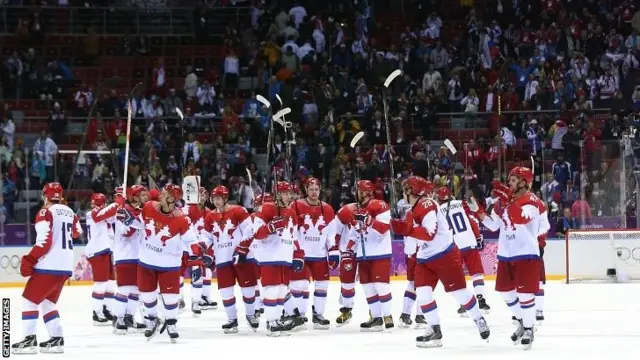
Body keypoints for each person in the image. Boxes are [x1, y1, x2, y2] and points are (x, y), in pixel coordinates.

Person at [391, 176, 490, 348]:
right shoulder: (411, 211)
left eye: (406, 189)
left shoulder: (428, 205)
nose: (403, 192)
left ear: (412, 190)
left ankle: (478, 319)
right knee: (423, 293)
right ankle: (434, 330)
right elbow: (413, 235)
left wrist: (405, 229)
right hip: (424, 258)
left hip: (444, 255)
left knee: (459, 293)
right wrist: (396, 226)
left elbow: (429, 233)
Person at [468, 167, 549, 350]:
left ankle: (529, 328)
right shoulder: (500, 202)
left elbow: (520, 218)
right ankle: (522, 321)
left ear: (523, 182)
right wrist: (478, 211)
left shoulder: (532, 201)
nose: (509, 183)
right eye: (509, 180)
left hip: (526, 252)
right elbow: (493, 225)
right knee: (506, 292)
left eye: (513, 180)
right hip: (505, 253)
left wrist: (508, 201)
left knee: (524, 293)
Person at [119, 184, 200, 342]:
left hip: (169, 264)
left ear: (171, 198)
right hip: (146, 261)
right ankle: (152, 320)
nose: (159, 196)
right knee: (147, 295)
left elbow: (192, 243)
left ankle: (171, 323)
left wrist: (196, 262)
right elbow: (141, 224)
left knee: (170, 298)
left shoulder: (182, 219)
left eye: (163, 194)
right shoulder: (149, 207)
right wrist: (129, 220)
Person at [12, 182, 82, 354]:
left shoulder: (45, 212)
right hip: (65, 267)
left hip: (48, 265)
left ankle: (29, 341)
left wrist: (30, 259)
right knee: (47, 303)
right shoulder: (71, 212)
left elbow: (44, 242)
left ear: (45, 196)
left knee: (29, 300)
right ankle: (56, 339)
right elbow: (77, 232)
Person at [252, 181, 306, 336]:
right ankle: (271, 322)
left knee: (282, 290)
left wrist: (298, 254)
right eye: (286, 193)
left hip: (285, 256)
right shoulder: (266, 208)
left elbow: (294, 236)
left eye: (290, 193)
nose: (289, 196)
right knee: (272, 289)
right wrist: (271, 227)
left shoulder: (291, 212)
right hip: (270, 256)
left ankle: (277, 320)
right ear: (277, 194)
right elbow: (257, 233)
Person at [204, 185, 259, 333]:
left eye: (218, 198)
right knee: (226, 292)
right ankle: (232, 320)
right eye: (214, 198)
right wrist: (203, 248)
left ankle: (251, 315)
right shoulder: (210, 217)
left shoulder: (238, 211)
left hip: (242, 257)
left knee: (248, 289)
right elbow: (207, 237)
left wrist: (242, 250)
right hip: (223, 259)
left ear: (225, 198)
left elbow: (250, 230)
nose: (216, 201)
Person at [288, 177, 336, 329]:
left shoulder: (327, 209)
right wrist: (295, 249)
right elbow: (290, 230)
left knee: (322, 285)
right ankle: (299, 316)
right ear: (306, 190)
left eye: (316, 189)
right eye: (311, 189)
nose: (314, 192)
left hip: (320, 254)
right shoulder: (295, 205)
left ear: (320, 190)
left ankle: (318, 315)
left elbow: (330, 234)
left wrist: (333, 249)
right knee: (299, 285)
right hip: (301, 254)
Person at [435, 187, 491, 315]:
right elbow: (473, 221)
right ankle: (481, 301)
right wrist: (478, 237)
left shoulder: (438, 211)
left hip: (453, 247)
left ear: (439, 198)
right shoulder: (461, 203)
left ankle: (464, 303)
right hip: (469, 242)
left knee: (459, 275)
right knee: (476, 274)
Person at [348, 180, 394, 331]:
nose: (357, 194)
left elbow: (384, 229)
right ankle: (376, 318)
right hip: (363, 254)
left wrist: (369, 221)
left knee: (381, 286)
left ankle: (387, 315)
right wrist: (348, 250)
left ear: (366, 191)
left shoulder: (380, 205)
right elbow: (354, 233)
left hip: (380, 253)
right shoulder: (357, 209)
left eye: (359, 191)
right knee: (368, 288)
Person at [111, 185, 147, 334]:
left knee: (136, 290)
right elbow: (126, 232)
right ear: (133, 196)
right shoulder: (121, 211)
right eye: (141, 195)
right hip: (124, 255)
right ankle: (118, 318)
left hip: (138, 255)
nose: (144, 197)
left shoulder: (140, 212)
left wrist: (136, 217)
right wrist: (133, 219)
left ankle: (129, 318)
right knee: (124, 289)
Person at [182, 186, 217, 316]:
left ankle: (201, 299)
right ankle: (188, 300)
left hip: (202, 247)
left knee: (205, 273)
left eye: (204, 195)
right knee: (194, 273)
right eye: (200, 194)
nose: (202, 197)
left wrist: (210, 249)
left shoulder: (208, 212)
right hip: (189, 247)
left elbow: (211, 232)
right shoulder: (189, 209)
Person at [85, 193, 118, 326]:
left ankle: (107, 309)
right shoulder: (93, 213)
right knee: (100, 283)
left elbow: (114, 216)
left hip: (107, 250)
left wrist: (121, 202)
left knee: (110, 283)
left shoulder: (104, 214)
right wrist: (117, 202)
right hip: (97, 251)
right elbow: (103, 214)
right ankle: (96, 312)